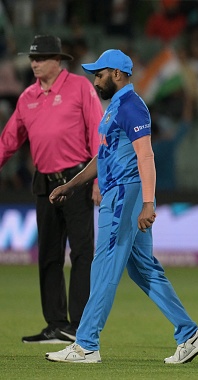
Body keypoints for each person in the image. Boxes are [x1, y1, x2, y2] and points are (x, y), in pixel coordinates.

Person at [45, 49, 198, 364]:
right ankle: (189, 334)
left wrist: (148, 203)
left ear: (118, 74)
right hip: (123, 192)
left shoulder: (132, 107)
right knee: (144, 269)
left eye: (100, 74)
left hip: (124, 195)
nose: (95, 80)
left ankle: (86, 345)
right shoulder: (117, 108)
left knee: (105, 265)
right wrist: (71, 185)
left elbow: (145, 155)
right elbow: (104, 156)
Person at [0, 35, 103, 344]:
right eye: (33, 57)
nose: (34, 62)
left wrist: (98, 180)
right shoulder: (27, 96)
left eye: (42, 57)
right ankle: (56, 324)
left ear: (58, 61)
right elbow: (9, 140)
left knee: (82, 253)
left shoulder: (80, 87)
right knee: (48, 255)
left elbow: (98, 133)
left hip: (77, 180)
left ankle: (79, 327)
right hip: (44, 182)